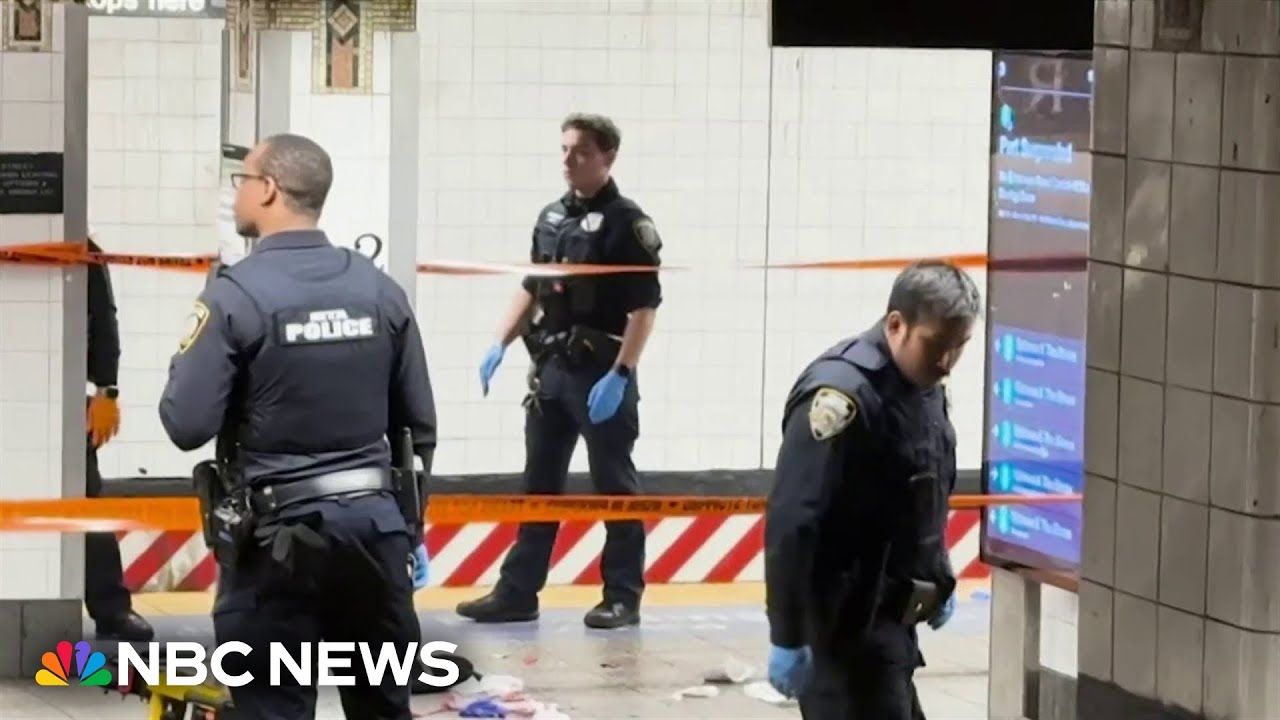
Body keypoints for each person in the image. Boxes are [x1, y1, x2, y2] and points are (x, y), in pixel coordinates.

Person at [158, 133, 436, 720]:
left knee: (273, 708)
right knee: (383, 707)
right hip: (375, 533)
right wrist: (408, 531)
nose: (237, 193)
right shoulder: (379, 289)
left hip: (277, 544)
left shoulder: (235, 296)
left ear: (269, 189)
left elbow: (186, 423)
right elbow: (418, 423)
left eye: (243, 180)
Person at [456, 113, 662, 630]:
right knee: (538, 486)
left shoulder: (628, 225)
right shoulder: (551, 217)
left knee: (614, 486)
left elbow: (644, 309)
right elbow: (531, 287)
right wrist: (498, 343)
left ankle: (621, 597)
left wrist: (622, 373)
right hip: (550, 369)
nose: (569, 161)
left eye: (581, 153)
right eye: (565, 150)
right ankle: (517, 592)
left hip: (600, 373)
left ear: (608, 158)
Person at [763, 260, 981, 719]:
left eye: (957, 348)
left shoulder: (922, 387)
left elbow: (922, 494)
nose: (945, 362)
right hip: (842, 635)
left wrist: (937, 574)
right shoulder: (842, 397)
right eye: (936, 346)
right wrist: (787, 634)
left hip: (890, 629)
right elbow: (793, 519)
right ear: (896, 325)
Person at [84, 230, 155, 642]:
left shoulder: (73, 241)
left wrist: (106, 390)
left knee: (85, 503)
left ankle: (111, 610)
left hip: (55, 396)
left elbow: (101, 315)